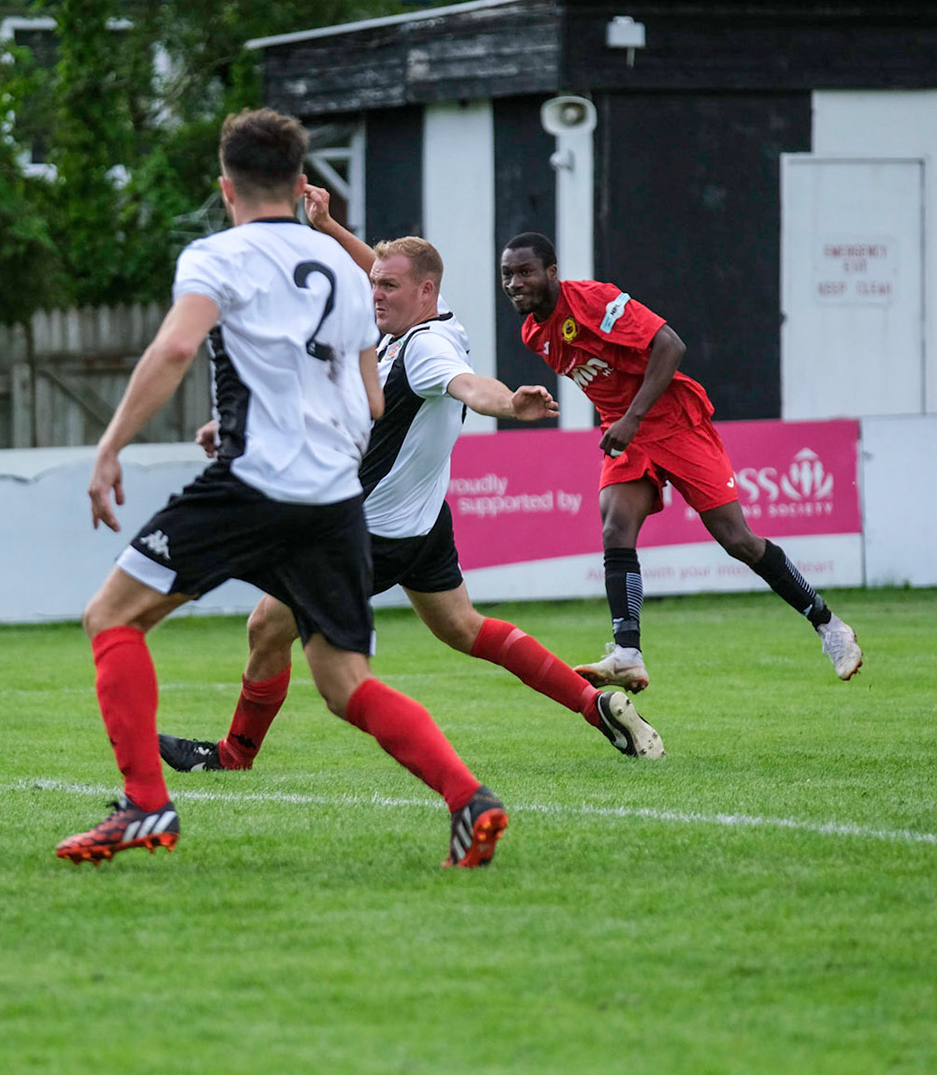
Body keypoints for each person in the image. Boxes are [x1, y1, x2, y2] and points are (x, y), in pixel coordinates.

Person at [63, 108, 509, 868]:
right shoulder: (345, 269)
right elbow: (370, 401)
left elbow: (175, 345)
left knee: (111, 617)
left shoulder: (216, 254)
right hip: (335, 501)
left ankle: (144, 806)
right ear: (301, 182)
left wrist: (111, 446)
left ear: (226, 185)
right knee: (344, 684)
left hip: (253, 484)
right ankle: (470, 800)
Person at [158, 187, 665, 776]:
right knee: (464, 629)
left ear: (424, 291)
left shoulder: (428, 349)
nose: (374, 294)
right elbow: (378, 269)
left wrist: (510, 404)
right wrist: (326, 227)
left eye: (388, 288)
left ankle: (232, 756)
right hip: (422, 522)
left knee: (267, 624)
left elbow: (469, 385)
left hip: (377, 534)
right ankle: (595, 704)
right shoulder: (427, 313)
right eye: (374, 284)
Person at [500, 232, 864, 693]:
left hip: (673, 421)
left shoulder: (593, 300)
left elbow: (670, 345)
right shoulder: (534, 333)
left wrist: (632, 418)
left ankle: (829, 625)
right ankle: (627, 652)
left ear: (552, 272)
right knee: (615, 526)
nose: (514, 282)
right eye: (507, 274)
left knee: (737, 540)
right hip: (626, 429)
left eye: (525, 271)